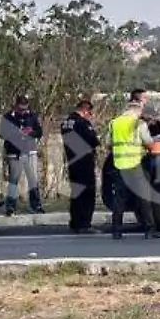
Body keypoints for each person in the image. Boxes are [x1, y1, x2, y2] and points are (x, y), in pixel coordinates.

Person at [107, 100, 160, 239]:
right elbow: (149, 144)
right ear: (137, 111)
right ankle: (150, 229)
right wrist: (144, 149)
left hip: (119, 164)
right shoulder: (139, 124)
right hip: (135, 165)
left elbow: (109, 144)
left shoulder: (114, 123)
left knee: (119, 199)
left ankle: (116, 231)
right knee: (144, 197)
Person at [0, 94, 44, 216]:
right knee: (14, 179)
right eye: (20, 109)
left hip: (30, 151)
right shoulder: (8, 117)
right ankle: (11, 206)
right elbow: (3, 134)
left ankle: (36, 205)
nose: (23, 111)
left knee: (33, 179)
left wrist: (31, 133)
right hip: (14, 152)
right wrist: (17, 133)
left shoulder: (32, 116)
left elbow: (39, 132)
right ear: (16, 106)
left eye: (25, 108)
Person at [61, 99, 99, 233]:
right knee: (87, 194)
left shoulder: (66, 123)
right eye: (90, 113)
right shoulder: (82, 123)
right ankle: (84, 224)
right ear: (85, 110)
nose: (90, 116)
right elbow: (93, 140)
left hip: (72, 161)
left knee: (76, 193)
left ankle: (75, 222)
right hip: (84, 161)